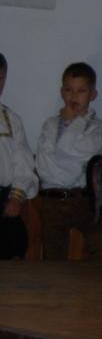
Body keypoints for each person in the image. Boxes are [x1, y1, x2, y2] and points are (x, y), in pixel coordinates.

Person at [35, 62, 102, 261]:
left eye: (81, 91)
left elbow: (68, 150)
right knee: (53, 259)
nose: (74, 96)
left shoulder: (99, 127)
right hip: (52, 200)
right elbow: (43, 168)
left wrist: (72, 123)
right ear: (62, 92)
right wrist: (71, 164)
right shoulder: (50, 125)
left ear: (92, 94)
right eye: (69, 90)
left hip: (83, 200)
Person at [0, 54, 37, 260]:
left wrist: (16, 197)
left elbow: (23, 161)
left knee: (15, 242)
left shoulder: (11, 120)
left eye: (0, 78)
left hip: (3, 198)